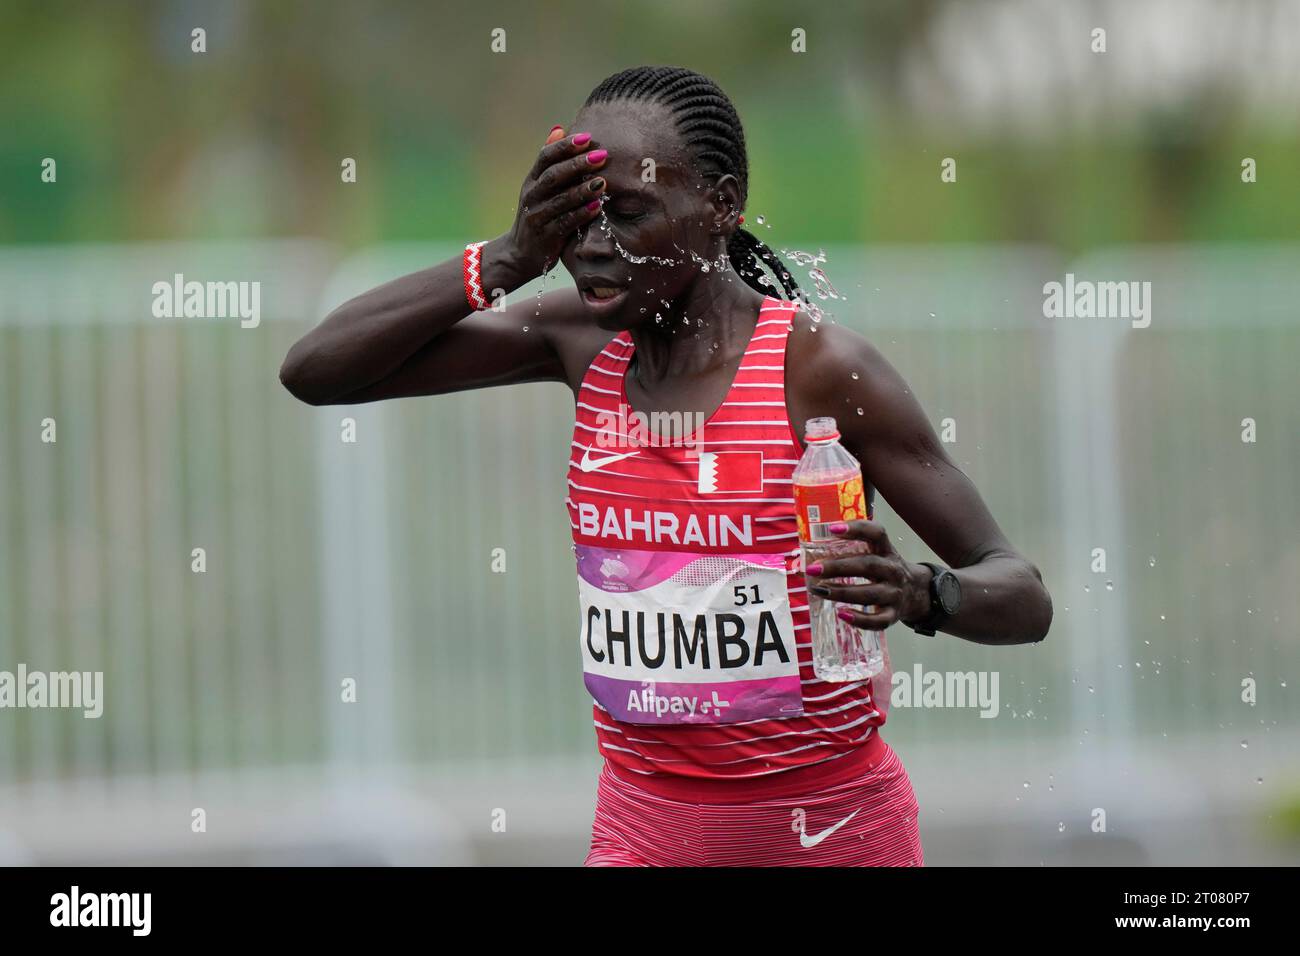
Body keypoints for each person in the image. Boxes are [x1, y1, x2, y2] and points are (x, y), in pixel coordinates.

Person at [279, 65, 1053, 866]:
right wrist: (508, 256)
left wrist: (924, 591)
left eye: (628, 213)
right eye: (577, 216)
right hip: (644, 834)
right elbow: (317, 371)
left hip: (831, 834)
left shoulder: (818, 370)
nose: (591, 243)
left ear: (720, 207)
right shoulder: (576, 337)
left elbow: (1023, 596)